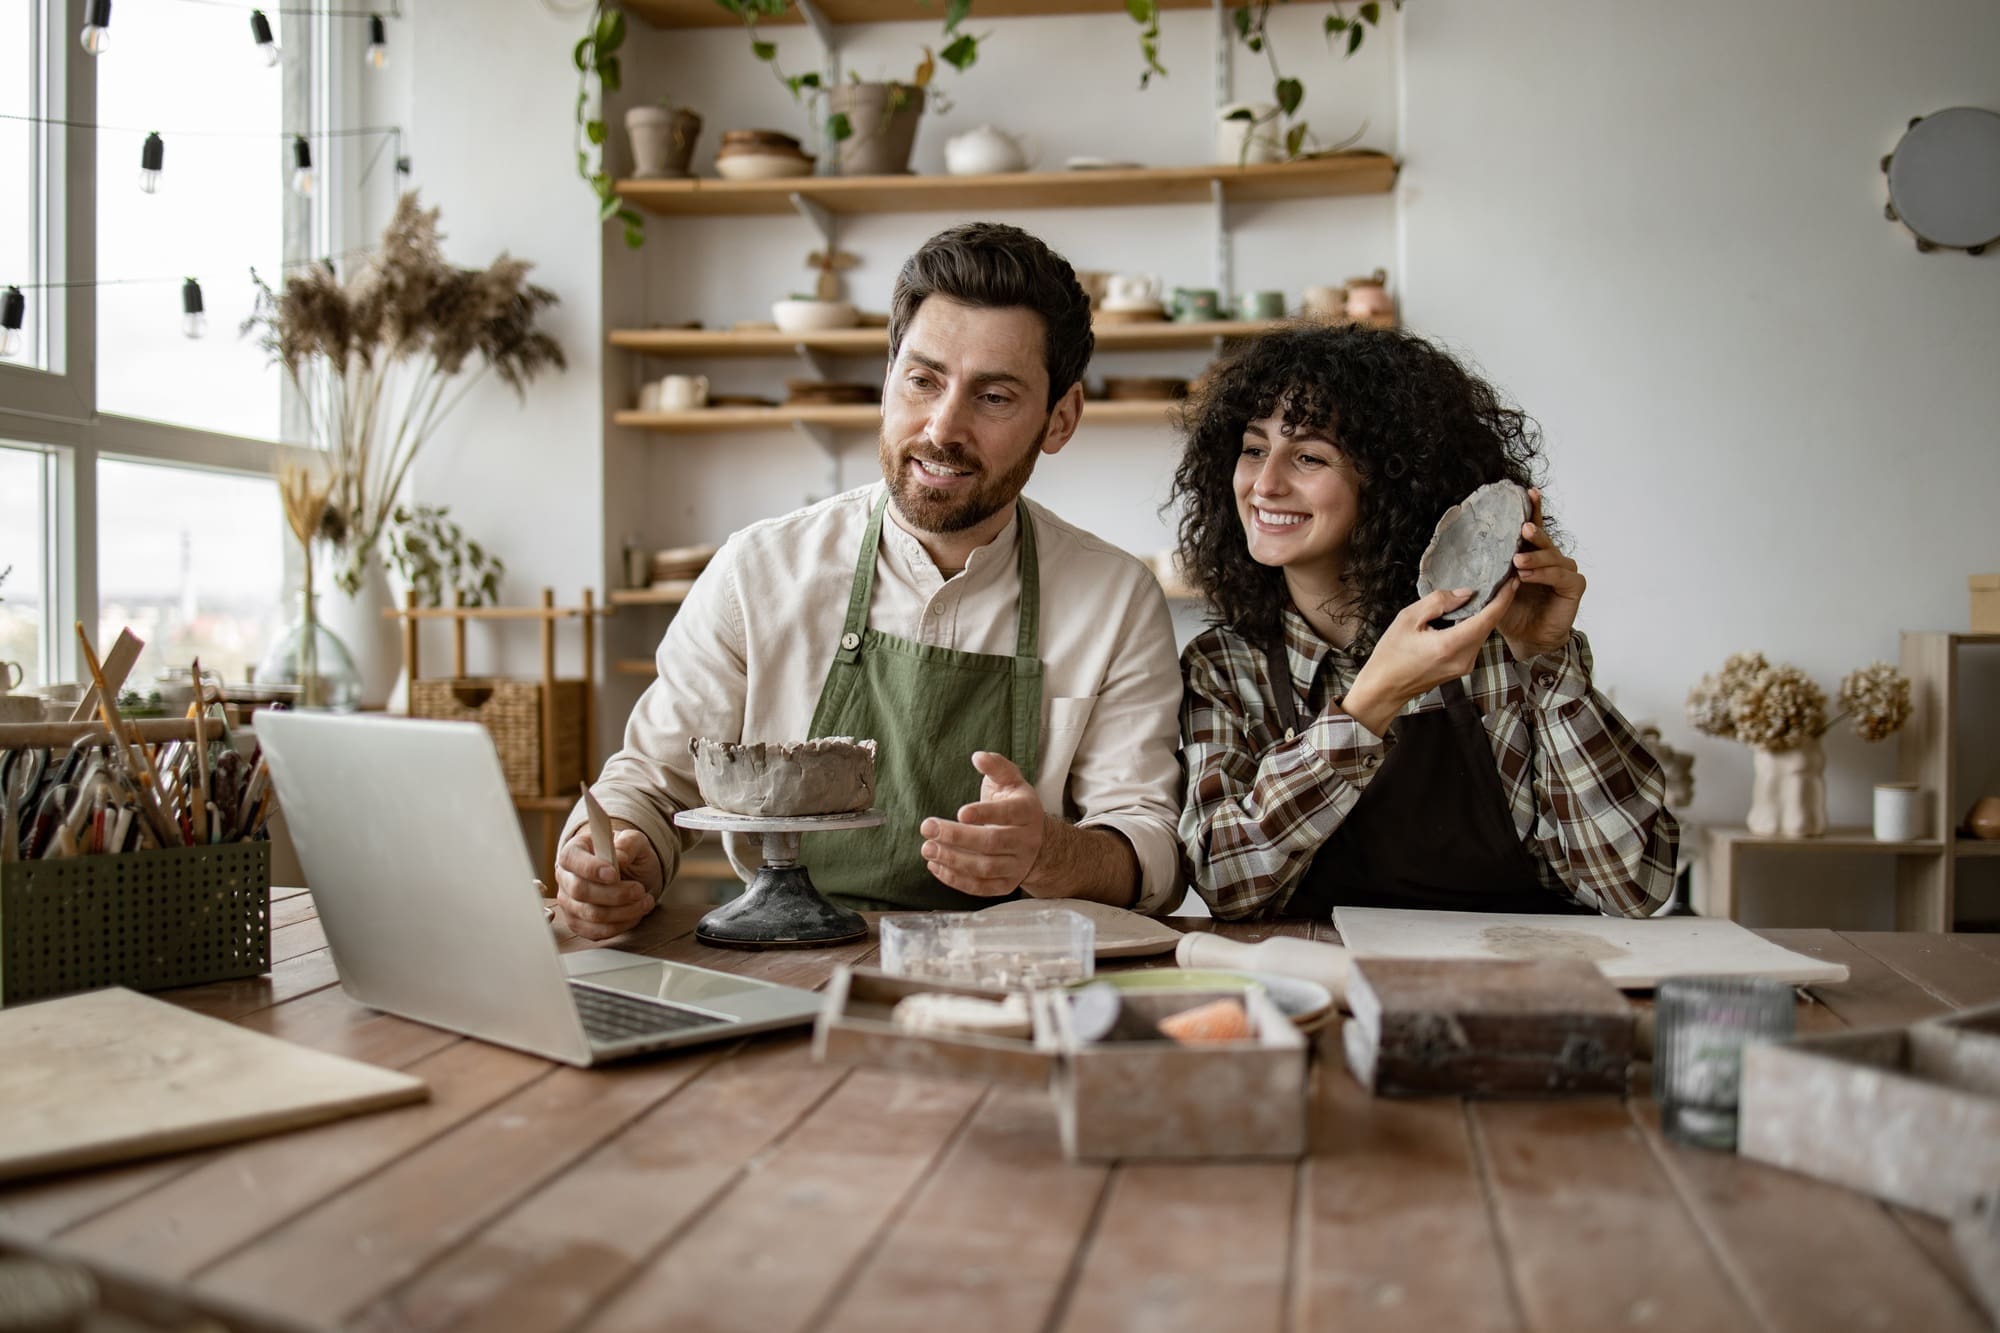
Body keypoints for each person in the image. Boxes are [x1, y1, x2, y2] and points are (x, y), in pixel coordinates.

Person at [555, 222, 1184, 940]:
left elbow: (1149, 846)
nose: (942, 427)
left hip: (1018, 975)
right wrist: (612, 859)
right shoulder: (758, 571)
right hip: (784, 964)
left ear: (1060, 419)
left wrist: (1051, 852)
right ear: (889, 378)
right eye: (922, 379)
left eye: (995, 397)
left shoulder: (1115, 600)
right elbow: (649, 780)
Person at [1171, 322, 1678, 920]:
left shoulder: (1495, 650)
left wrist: (1548, 661)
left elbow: (1632, 888)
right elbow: (1226, 884)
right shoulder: (1225, 666)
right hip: (1328, 990)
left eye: (1308, 456)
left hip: (1520, 984)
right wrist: (1369, 706)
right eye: (1254, 449)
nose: (1265, 483)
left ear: (1393, 478)